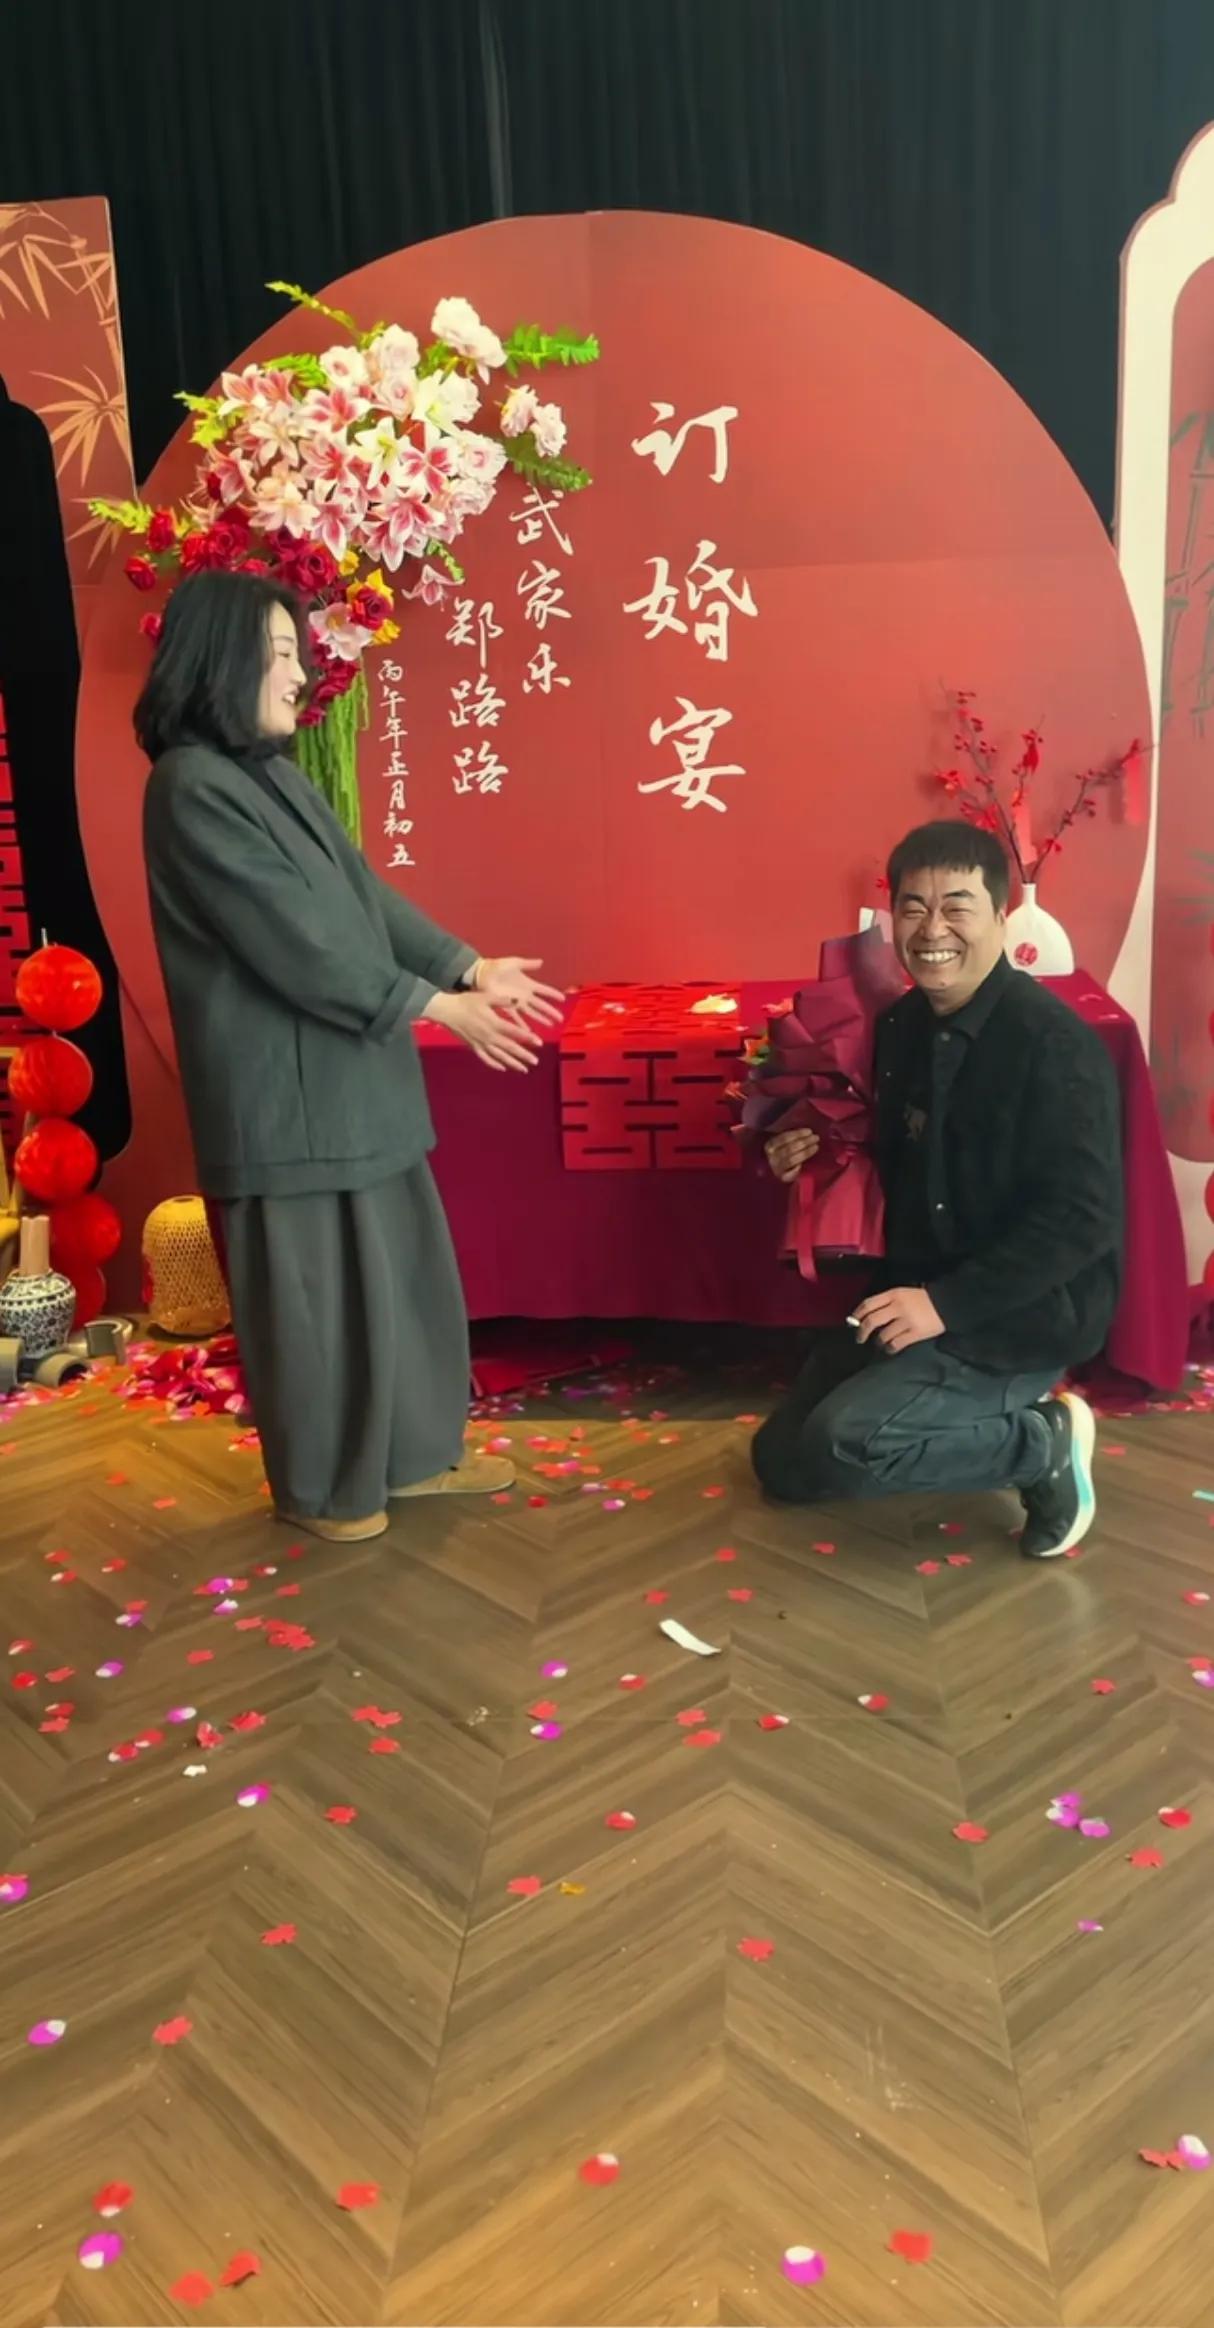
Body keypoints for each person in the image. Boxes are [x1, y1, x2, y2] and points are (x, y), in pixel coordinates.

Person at [139, 570, 564, 1544]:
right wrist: (437, 1007)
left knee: (401, 1285)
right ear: (220, 659)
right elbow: (293, 939)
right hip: (281, 1105)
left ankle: (412, 1457)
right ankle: (329, 1492)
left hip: (356, 1083)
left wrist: (467, 965)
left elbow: (360, 898)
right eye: (280, 653)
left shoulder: (271, 774)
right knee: (314, 1313)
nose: (299, 673)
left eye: (296, 651)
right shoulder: (189, 787)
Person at [751, 820, 1123, 1557]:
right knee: (784, 1462)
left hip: (1019, 1313)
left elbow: (1082, 1220)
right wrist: (811, 1152)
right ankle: (970, 1419)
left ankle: (1039, 1446)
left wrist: (943, 1305)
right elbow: (891, 1155)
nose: (932, 930)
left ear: (1000, 916)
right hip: (915, 1290)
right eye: (913, 908)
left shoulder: (1056, 1046)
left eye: (957, 906)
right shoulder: (900, 1027)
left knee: (841, 1443)